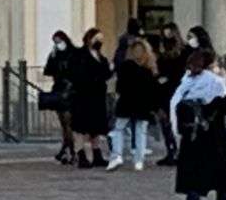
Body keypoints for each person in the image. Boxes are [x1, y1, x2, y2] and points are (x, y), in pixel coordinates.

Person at [170, 48, 226, 200]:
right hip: (214, 139)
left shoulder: (186, 84)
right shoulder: (216, 84)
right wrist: (225, 83)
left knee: (192, 183)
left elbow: (176, 108)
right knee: (222, 182)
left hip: (191, 139)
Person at [67, 29, 114, 168]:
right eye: (97, 38)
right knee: (81, 127)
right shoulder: (78, 55)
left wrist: (110, 70)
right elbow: (75, 73)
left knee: (96, 127)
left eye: (101, 39)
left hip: (97, 96)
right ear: (89, 39)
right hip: (82, 96)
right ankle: (81, 154)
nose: (99, 41)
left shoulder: (101, 57)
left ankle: (96, 154)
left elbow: (105, 73)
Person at [109, 37, 158, 171]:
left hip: (141, 103)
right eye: (135, 50)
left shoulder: (148, 69)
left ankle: (138, 159)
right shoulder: (128, 66)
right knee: (120, 128)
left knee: (140, 131)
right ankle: (117, 155)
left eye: (140, 51)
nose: (137, 53)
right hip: (128, 101)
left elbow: (153, 89)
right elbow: (120, 85)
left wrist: (153, 106)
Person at [42, 32, 77, 164]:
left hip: (70, 90)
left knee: (68, 123)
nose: (57, 44)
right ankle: (66, 149)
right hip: (58, 89)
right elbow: (48, 71)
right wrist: (52, 57)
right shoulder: (55, 54)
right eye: (55, 42)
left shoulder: (73, 53)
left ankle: (70, 151)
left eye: (59, 41)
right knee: (63, 123)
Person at [153, 25, 186, 165]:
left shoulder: (182, 52)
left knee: (176, 122)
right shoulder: (162, 52)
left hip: (175, 89)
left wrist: (168, 78)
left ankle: (179, 152)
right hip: (162, 91)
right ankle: (171, 150)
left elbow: (182, 71)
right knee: (165, 122)